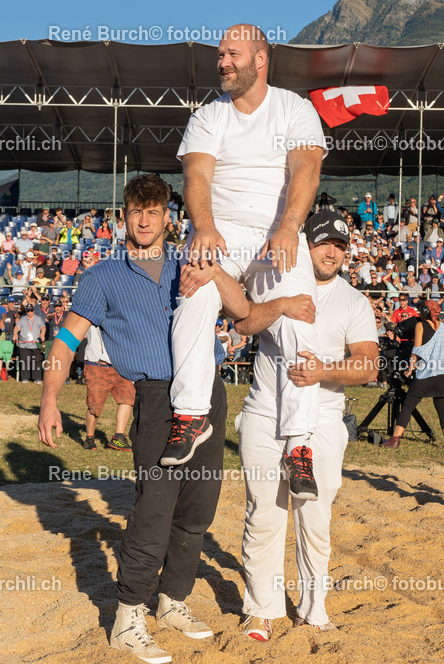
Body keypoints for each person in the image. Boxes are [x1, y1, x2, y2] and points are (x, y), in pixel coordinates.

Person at [38, 174, 249, 664]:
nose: (145, 219)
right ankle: (128, 616)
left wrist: (214, 272)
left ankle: (172, 600)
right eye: (137, 210)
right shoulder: (102, 276)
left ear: (169, 216)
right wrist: (50, 399)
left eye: (154, 210)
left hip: (208, 393)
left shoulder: (189, 264)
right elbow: (66, 341)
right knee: (153, 509)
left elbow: (242, 312)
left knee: (197, 509)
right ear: (124, 217)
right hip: (156, 398)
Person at [165, 24, 326, 501]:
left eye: (232, 54)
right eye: (219, 55)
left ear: (260, 59)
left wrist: (290, 225)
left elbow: (307, 168)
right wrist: (204, 226)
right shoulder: (208, 116)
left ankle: (299, 447)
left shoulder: (295, 108)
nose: (222, 63)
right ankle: (192, 416)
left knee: (300, 321)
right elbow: (196, 173)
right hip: (225, 230)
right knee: (192, 294)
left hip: (280, 230)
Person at [219, 210, 376, 639]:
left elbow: (368, 365)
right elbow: (243, 324)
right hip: (265, 412)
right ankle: (262, 608)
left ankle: (313, 608)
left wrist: (325, 370)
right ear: (306, 244)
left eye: (340, 246)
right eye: (324, 242)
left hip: (324, 418)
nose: (331, 252)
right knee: (265, 515)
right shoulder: (275, 277)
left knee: (315, 517)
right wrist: (281, 305)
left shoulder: (353, 301)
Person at [381, 299, 444, 449]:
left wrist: (409, 369)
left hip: (426, 373)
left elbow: (416, 350)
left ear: (425, 312)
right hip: (443, 373)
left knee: (408, 405)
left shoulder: (420, 325)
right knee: (441, 407)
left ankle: (394, 440)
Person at [81, 324, 135, 451]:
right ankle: (89, 438)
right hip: (97, 365)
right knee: (95, 406)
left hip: (121, 365)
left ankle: (119, 437)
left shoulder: (121, 313)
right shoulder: (93, 312)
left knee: (128, 399)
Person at [14, 304, 45, 383]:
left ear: (34, 311)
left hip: (35, 344)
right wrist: (15, 333)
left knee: (37, 361)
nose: (30, 312)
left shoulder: (38, 319)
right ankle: (25, 378)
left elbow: (43, 327)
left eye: (31, 311)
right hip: (24, 345)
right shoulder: (23, 319)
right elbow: (17, 327)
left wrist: (43, 334)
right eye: (28, 311)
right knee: (24, 361)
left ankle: (37, 378)